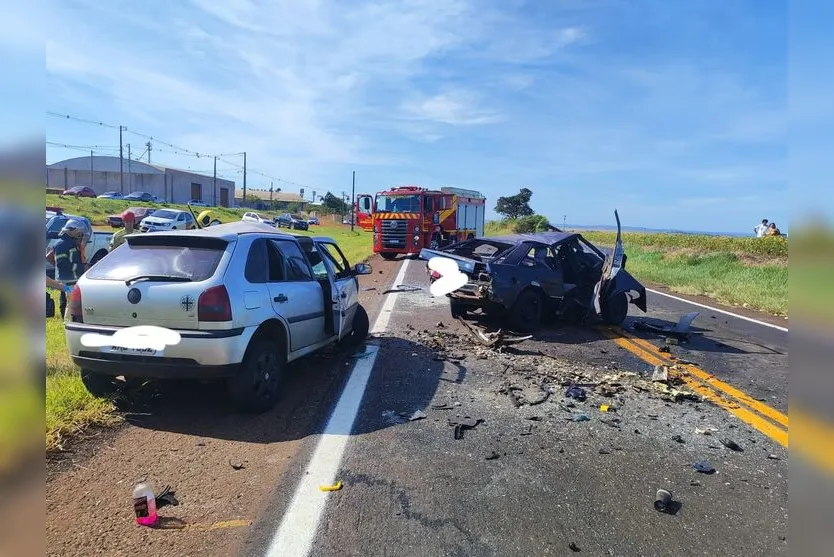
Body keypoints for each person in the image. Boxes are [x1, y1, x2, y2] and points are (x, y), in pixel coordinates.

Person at [46, 219, 86, 318]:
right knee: (71, 303)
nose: (80, 234)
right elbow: (62, 264)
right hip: (68, 280)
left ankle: (71, 320)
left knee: (73, 302)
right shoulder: (62, 245)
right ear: (72, 230)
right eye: (79, 232)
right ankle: (69, 323)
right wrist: (79, 268)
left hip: (73, 278)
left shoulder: (71, 243)